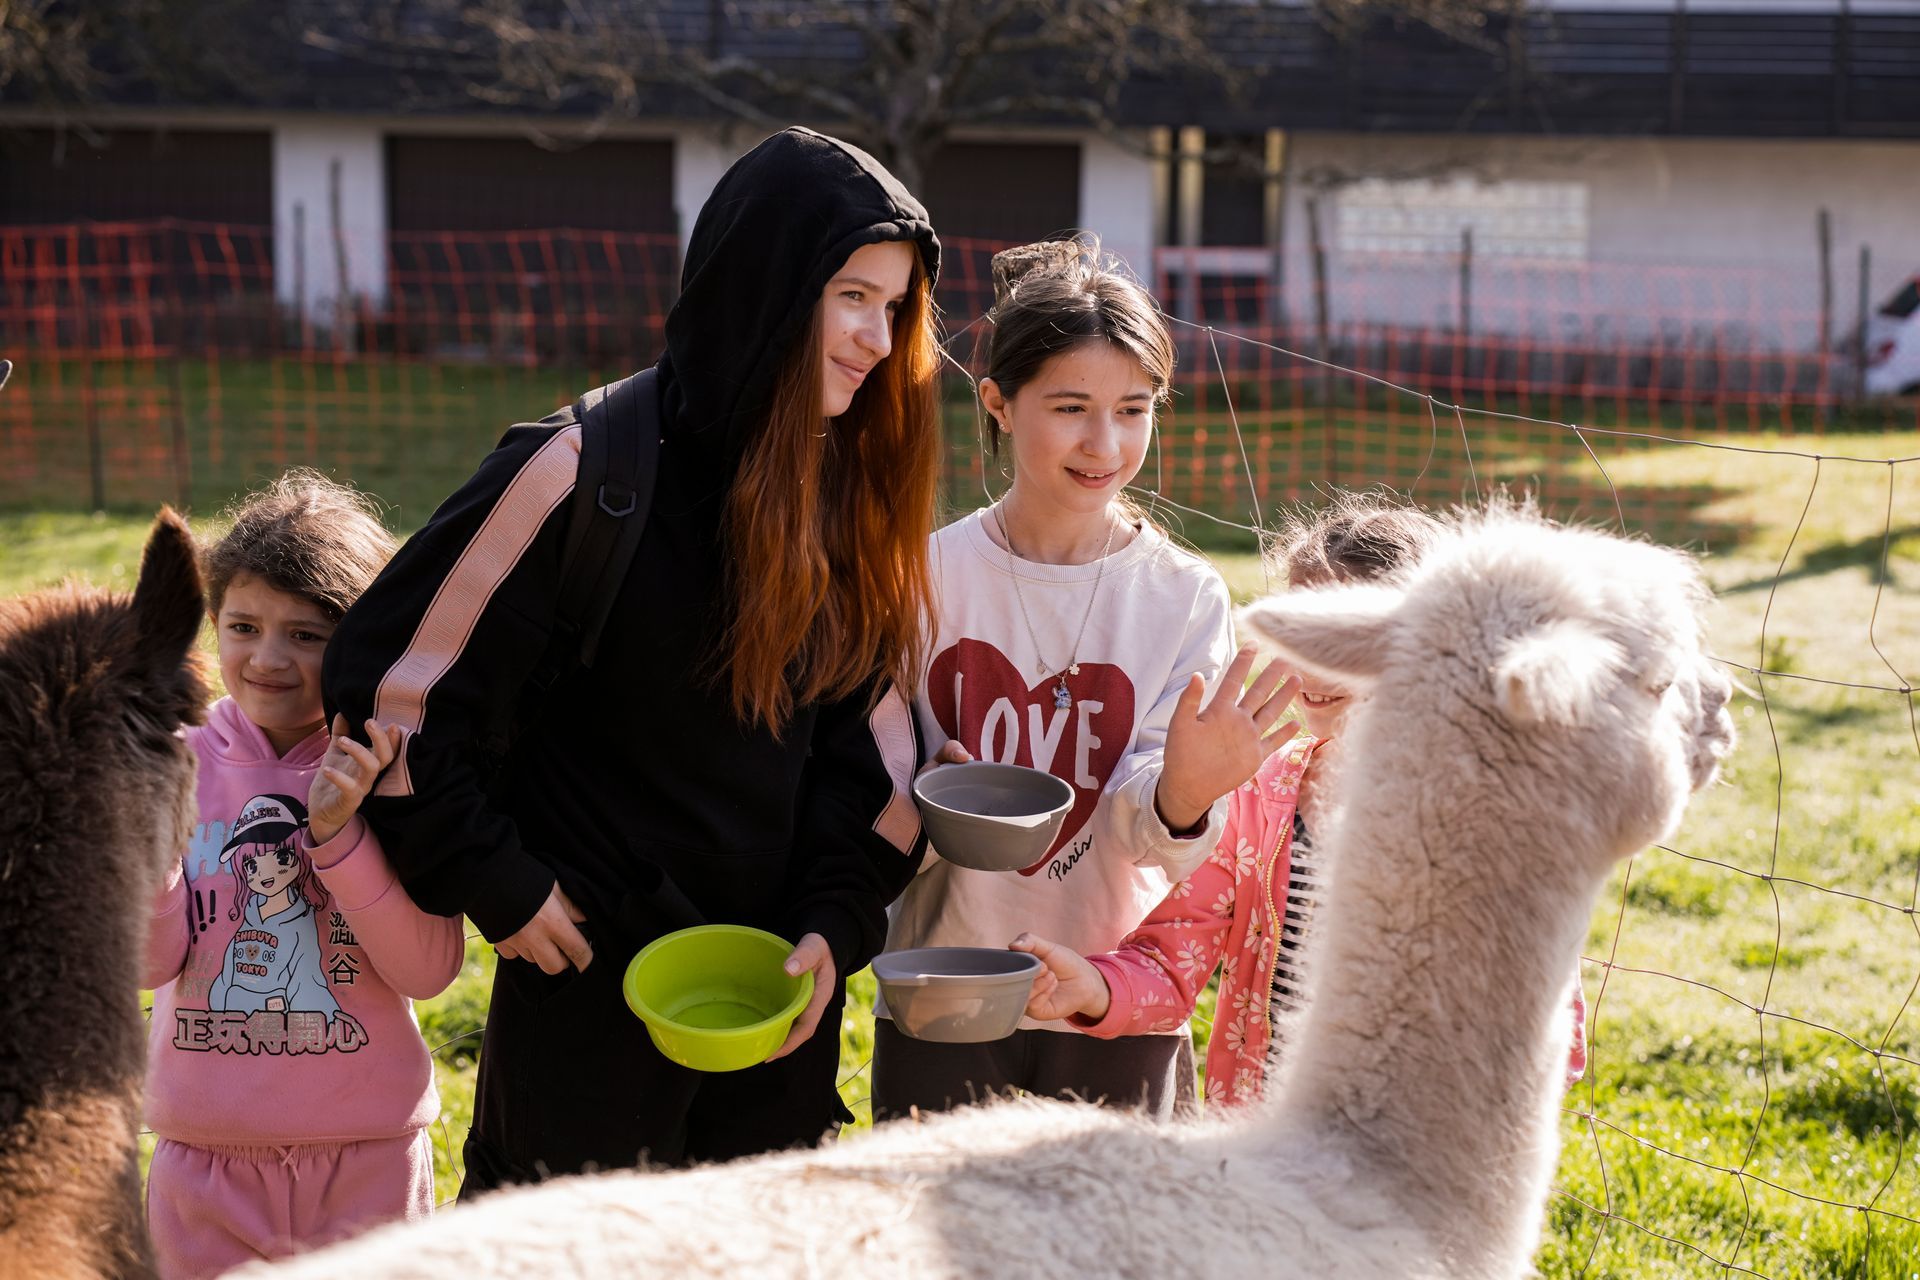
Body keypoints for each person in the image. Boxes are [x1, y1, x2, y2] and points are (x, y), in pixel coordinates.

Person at [323, 127, 944, 1187]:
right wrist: (497, 882)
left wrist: (832, 924)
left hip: (768, 1031)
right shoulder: (580, 473)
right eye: (851, 295)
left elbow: (877, 767)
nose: (877, 338)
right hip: (581, 1023)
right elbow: (393, 689)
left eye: (893, 308)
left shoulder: (841, 502)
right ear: (760, 286)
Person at [871, 240, 1300, 1122]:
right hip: (945, 981)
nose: (1104, 444)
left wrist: (1185, 792)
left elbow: (1162, 834)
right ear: (997, 402)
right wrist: (919, 792)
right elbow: (867, 779)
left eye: (1133, 411)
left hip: (1112, 993)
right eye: (1071, 408)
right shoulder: (923, 576)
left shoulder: (1183, 596)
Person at [1015, 492, 1588, 1106]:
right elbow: (1171, 962)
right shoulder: (1259, 793)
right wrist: (1093, 987)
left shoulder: (1493, 813)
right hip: (1271, 1138)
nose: (1311, 668)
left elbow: (1552, 1034)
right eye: (1300, 633)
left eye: (1342, 638)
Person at [142, 471, 463, 1278]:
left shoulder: (396, 768)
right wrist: (152, 840)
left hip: (368, 1163)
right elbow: (147, 962)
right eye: (243, 626)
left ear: (364, 640)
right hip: (203, 1168)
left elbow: (428, 970)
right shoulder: (171, 764)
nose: (267, 658)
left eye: (307, 635)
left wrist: (338, 835)